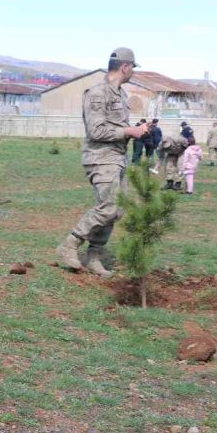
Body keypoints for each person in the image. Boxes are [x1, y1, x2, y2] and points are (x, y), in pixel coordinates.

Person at [56, 47, 149, 278]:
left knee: (117, 210)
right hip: (100, 158)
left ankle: (94, 256)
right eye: (132, 68)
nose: (132, 73)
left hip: (117, 158)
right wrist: (129, 130)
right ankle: (70, 243)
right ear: (125, 67)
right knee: (107, 207)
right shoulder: (98, 93)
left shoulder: (121, 95)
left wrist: (136, 130)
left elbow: (115, 127)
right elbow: (96, 130)